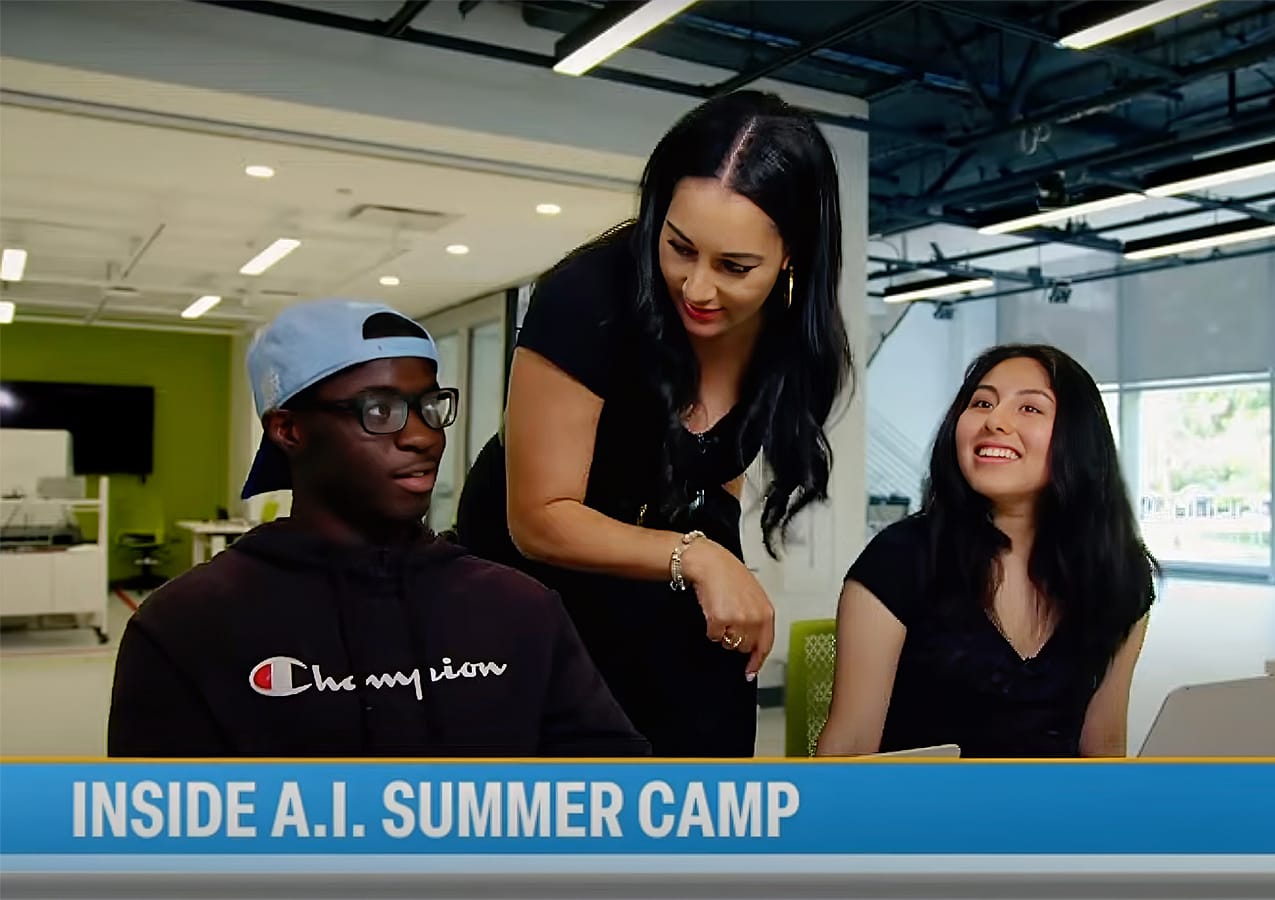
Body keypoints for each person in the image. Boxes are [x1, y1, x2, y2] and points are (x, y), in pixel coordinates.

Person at [453, 90, 853, 758]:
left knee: (710, 776)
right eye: (679, 247)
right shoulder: (589, 297)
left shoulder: (791, 336)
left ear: (792, 256)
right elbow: (539, 516)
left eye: (734, 267)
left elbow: (717, 468)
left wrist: (720, 574)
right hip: (538, 589)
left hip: (662, 571)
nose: (697, 289)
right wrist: (698, 557)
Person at [106, 299, 649, 758]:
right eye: (380, 410)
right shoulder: (189, 627)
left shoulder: (519, 608)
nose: (423, 437)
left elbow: (611, 796)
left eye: (429, 406)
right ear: (288, 429)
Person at [816, 344, 1158, 759]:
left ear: (1079, 437)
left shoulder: (1122, 576)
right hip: (920, 818)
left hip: (1052, 819)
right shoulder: (898, 560)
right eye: (981, 403)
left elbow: (1104, 745)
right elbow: (850, 749)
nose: (994, 421)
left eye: (1030, 409)